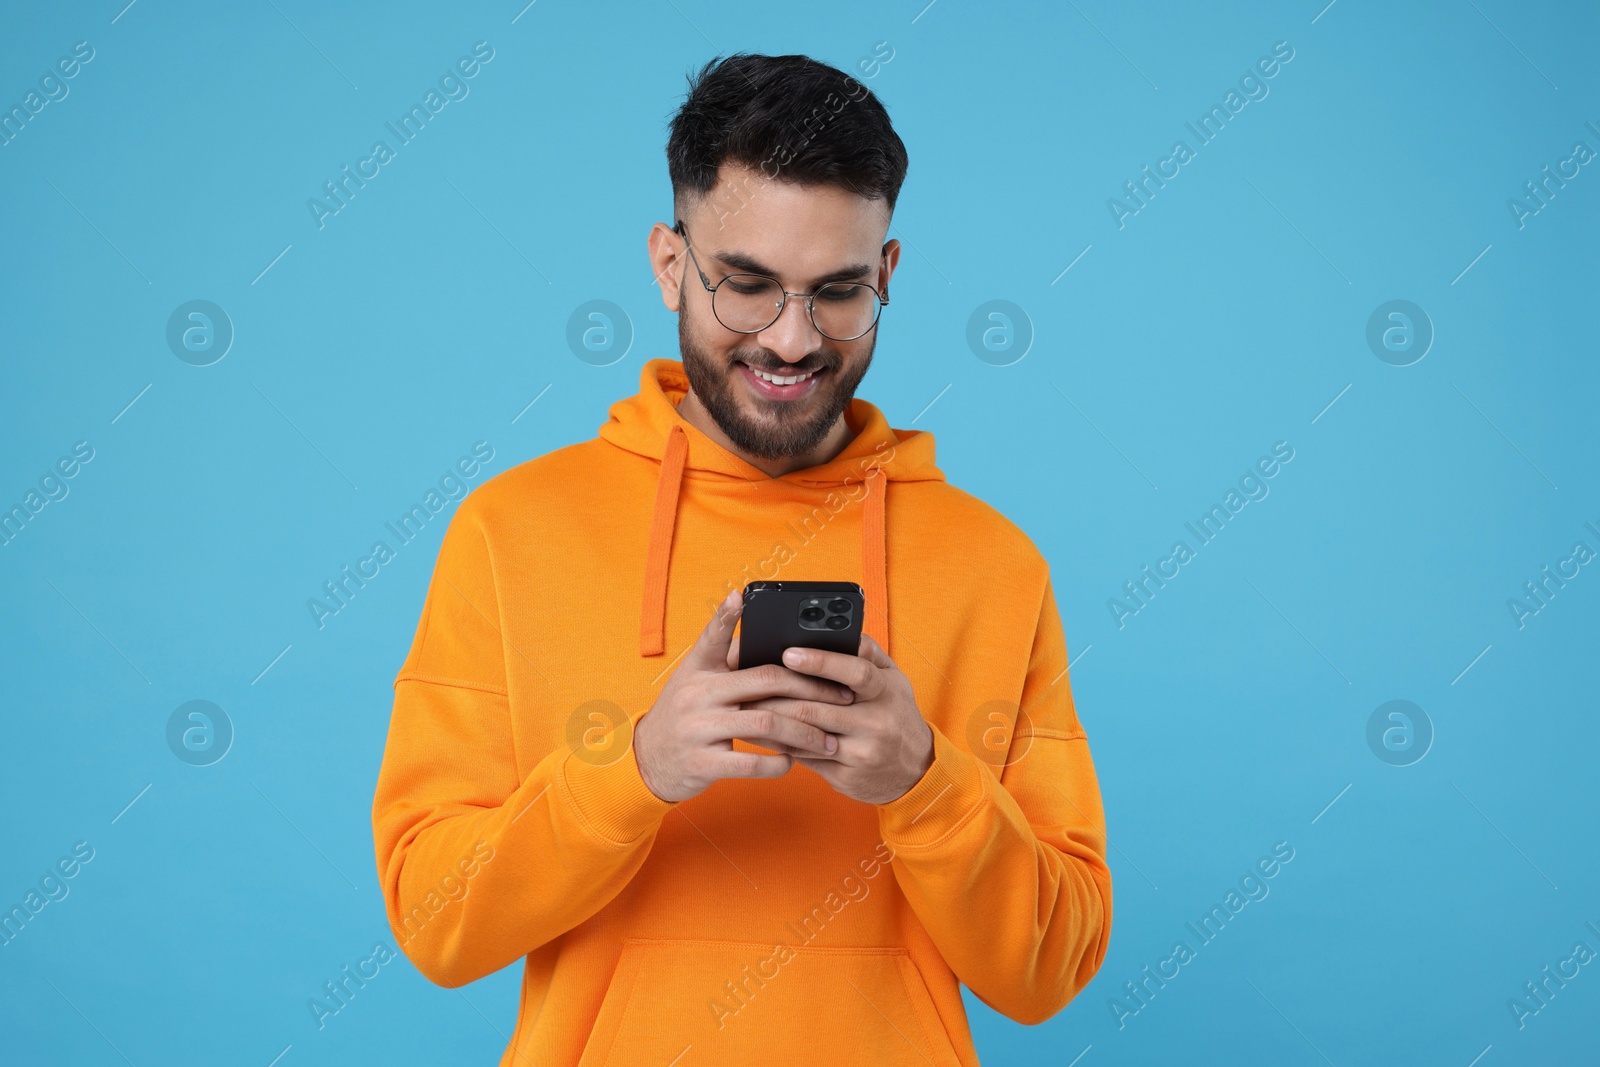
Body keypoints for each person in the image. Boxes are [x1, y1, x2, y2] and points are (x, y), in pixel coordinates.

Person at [372, 52, 1111, 1066]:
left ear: (887, 274)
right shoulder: (510, 530)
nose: (793, 339)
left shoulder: (993, 563)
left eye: (838, 291)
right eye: (747, 286)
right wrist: (634, 771)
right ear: (670, 264)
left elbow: (1049, 968)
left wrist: (925, 781)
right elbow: (435, 922)